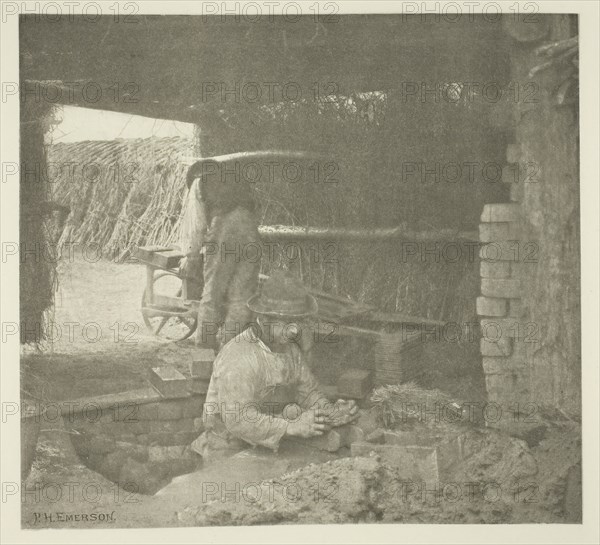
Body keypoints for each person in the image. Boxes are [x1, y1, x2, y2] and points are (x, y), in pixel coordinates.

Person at [191, 270, 358, 462]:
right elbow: (238, 420)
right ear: (264, 320)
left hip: (269, 443)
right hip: (227, 447)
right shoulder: (239, 356)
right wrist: (290, 426)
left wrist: (330, 411)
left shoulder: (289, 350)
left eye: (298, 322)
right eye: (286, 323)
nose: (295, 329)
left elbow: (308, 392)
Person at [185, 161, 261, 350]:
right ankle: (228, 352)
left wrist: (191, 256)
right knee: (241, 298)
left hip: (225, 229)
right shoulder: (234, 179)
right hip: (250, 228)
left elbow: (196, 224)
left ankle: (204, 353)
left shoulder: (199, 182)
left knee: (212, 295)